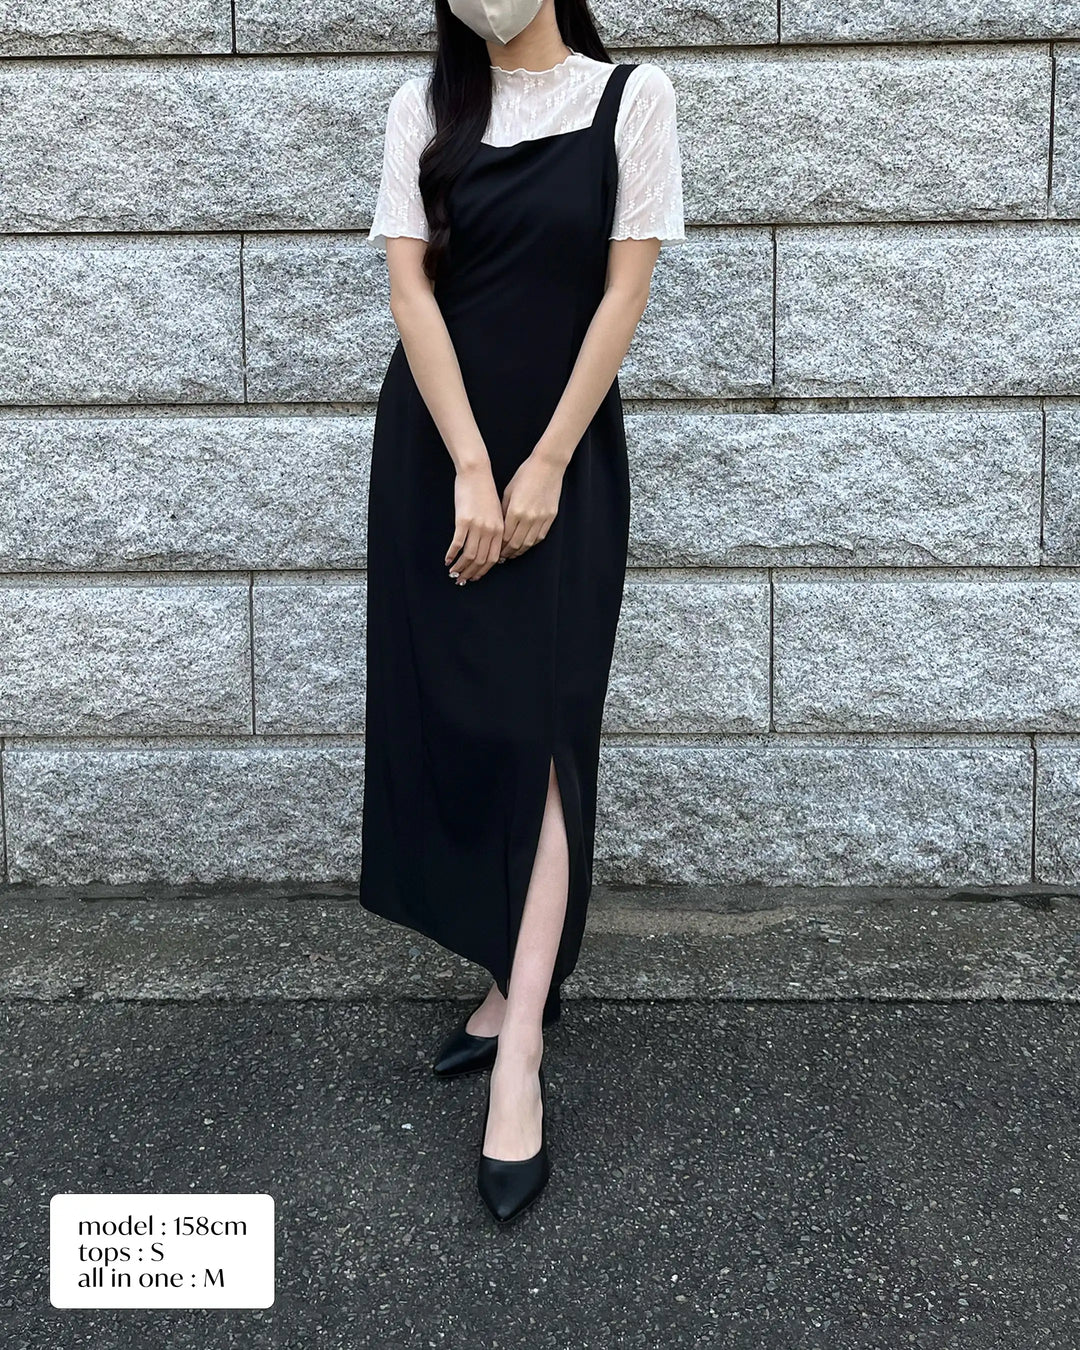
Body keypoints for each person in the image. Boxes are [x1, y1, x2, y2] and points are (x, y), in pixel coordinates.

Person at [358, 0, 685, 1222]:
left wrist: (541, 464)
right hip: (439, 456)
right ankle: (512, 983)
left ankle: (522, 1057)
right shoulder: (424, 108)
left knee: (542, 735)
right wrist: (471, 467)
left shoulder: (631, 99)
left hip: (561, 463)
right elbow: (411, 294)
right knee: (460, 722)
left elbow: (621, 297)